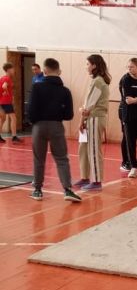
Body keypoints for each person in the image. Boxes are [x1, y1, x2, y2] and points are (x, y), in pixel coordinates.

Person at [28, 58, 81, 202]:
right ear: (59, 71)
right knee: (62, 158)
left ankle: (37, 190)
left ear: (44, 71)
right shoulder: (65, 91)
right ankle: (67, 190)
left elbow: (31, 111)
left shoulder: (37, 87)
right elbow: (69, 115)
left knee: (39, 159)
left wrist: (36, 122)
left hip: (39, 126)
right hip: (57, 126)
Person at [74, 55, 111, 192]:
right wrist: (83, 119)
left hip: (95, 118)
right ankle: (85, 177)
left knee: (94, 149)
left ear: (94, 65)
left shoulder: (98, 81)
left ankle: (96, 181)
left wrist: (81, 120)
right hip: (89, 118)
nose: (86, 67)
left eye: (88, 64)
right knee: (83, 148)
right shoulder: (95, 80)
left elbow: (88, 106)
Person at [0, 63, 22, 143]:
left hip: (1, 101)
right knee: (13, 118)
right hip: (6, 102)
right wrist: (7, 93)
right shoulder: (7, 78)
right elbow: (4, 86)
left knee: (3, 119)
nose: (14, 70)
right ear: (9, 70)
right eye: (12, 69)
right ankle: (14, 136)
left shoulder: (2, 78)